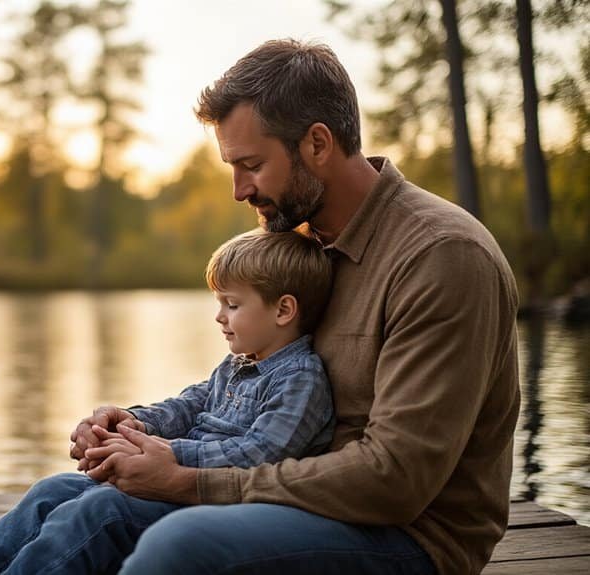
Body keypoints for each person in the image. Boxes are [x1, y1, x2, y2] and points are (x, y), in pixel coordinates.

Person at [77, 39, 520, 575]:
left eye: (252, 165)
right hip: (289, 497)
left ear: (316, 144)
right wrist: (136, 430)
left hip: (408, 537)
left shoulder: (441, 257)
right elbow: (239, 393)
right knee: (67, 498)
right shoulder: (301, 243)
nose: (239, 190)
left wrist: (187, 481)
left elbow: (395, 480)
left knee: (183, 545)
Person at [0, 229, 337, 574]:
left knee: (101, 511)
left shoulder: (300, 379)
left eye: (232, 305)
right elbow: (188, 405)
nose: (219, 316)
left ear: (284, 309)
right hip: (172, 479)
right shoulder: (239, 364)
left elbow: (260, 454)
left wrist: (162, 454)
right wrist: (134, 425)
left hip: (216, 503)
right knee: (54, 489)